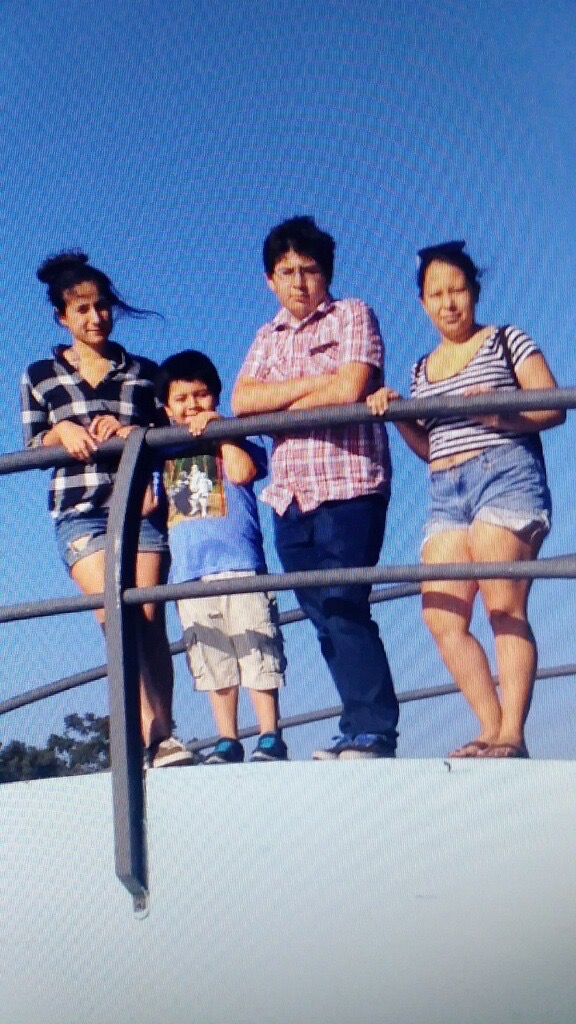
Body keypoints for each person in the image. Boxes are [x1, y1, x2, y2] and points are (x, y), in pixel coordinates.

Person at [368, 240, 565, 758]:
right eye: (436, 294)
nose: (448, 303)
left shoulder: (506, 340)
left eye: (457, 290)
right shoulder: (420, 369)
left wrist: (499, 412)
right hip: (446, 492)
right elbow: (430, 447)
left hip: (505, 476)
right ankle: (490, 728)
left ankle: (512, 734)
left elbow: (553, 407)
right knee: (442, 616)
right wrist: (399, 413)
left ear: (474, 291)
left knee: (503, 604)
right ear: (422, 303)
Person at [232, 216, 399, 760]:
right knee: (321, 614)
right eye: (287, 272)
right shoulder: (267, 336)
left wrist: (282, 402)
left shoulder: (352, 314)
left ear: (326, 272)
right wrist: (316, 388)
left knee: (345, 603)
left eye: (309, 269)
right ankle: (356, 728)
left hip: (348, 484)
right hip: (290, 497)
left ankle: (374, 730)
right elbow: (242, 402)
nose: (299, 282)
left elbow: (351, 387)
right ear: (270, 280)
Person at [21, 250, 195, 769]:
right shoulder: (39, 375)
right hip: (79, 510)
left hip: (140, 508)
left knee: (149, 617)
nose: (95, 317)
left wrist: (132, 431)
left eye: (102, 306)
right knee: (115, 616)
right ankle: (147, 734)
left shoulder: (144, 373)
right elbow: (32, 443)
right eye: (82, 310)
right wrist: (59, 430)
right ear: (62, 317)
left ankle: (163, 735)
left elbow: (170, 436)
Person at [156, 350, 288, 764]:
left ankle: (269, 734)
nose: (192, 405)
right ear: (167, 409)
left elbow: (242, 472)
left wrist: (223, 433)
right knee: (213, 658)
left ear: (215, 396)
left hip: (241, 566)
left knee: (257, 649)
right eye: (181, 399)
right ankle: (227, 738)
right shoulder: (164, 453)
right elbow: (149, 503)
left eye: (201, 395)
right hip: (190, 575)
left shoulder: (238, 437)